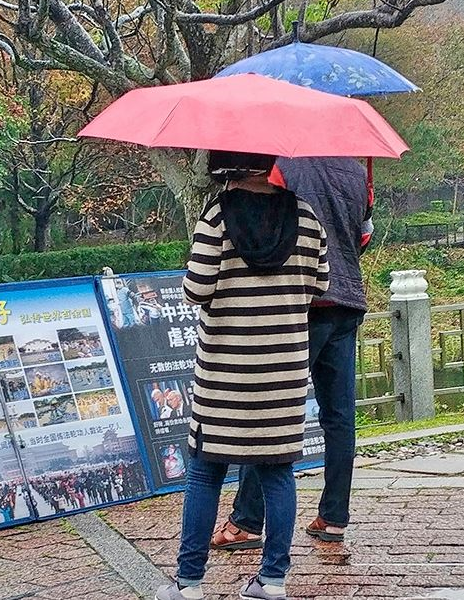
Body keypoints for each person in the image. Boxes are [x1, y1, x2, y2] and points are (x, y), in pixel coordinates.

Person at [156, 150, 329, 600]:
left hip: (224, 374)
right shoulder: (306, 216)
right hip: (284, 370)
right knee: (277, 474)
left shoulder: (216, 216)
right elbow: (320, 285)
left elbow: (196, 290)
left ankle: (189, 583)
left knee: (205, 474)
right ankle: (272, 580)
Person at [212, 156, 372, 548]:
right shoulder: (357, 170)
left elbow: (268, 229)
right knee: (340, 417)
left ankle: (247, 520)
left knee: (270, 411)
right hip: (347, 300)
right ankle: (333, 516)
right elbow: (364, 235)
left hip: (298, 304)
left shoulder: (282, 167)